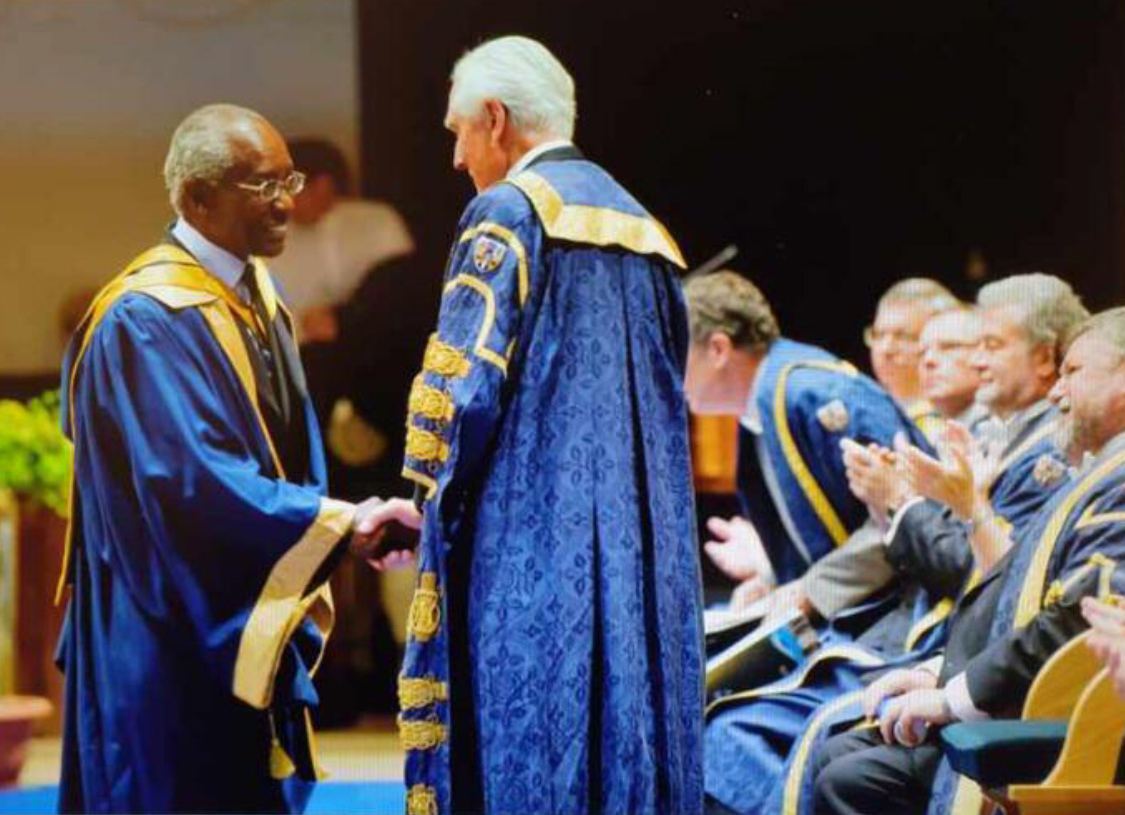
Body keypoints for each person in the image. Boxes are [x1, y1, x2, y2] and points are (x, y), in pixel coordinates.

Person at [55, 103, 419, 814]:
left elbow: (291, 455)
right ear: (197, 198)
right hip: (169, 628)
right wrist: (345, 524)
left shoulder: (256, 296)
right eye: (263, 186)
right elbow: (191, 482)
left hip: (235, 613)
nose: (287, 202)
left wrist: (341, 521)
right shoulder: (148, 317)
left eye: (289, 179)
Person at [396, 37, 704, 815]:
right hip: (638, 550)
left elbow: (461, 391)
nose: (457, 157)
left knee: (531, 738)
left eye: (458, 131)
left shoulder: (506, 212)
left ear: (496, 120)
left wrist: (424, 498)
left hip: (526, 542)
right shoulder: (650, 231)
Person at [811, 306, 1125, 815]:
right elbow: (1018, 599)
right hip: (1021, 693)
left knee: (853, 777)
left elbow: (1076, 622)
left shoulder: (1116, 482)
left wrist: (952, 696)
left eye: (1074, 373)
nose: (1056, 394)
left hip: (1068, 724)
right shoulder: (1101, 473)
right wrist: (943, 671)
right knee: (843, 752)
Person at [683, 271, 931, 613]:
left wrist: (811, 591)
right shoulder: (764, 405)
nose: (669, 372)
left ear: (718, 349)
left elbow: (909, 508)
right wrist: (771, 581)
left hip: (906, 614)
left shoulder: (817, 395)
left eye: (678, 351)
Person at [864, 278, 960, 411]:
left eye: (903, 336)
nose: (886, 349)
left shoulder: (963, 420)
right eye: (879, 335)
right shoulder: (861, 410)